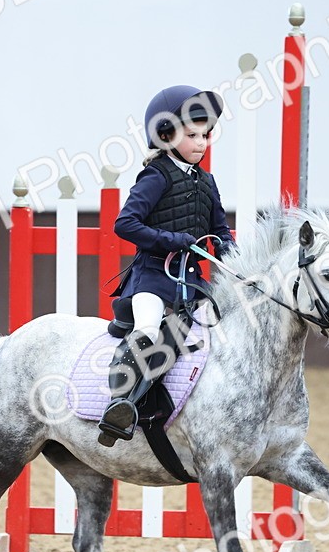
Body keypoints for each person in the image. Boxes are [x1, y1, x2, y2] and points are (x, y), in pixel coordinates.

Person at [98, 85, 237, 446]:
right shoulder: (156, 176)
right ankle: (121, 405)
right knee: (147, 332)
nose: (202, 142)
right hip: (152, 280)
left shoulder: (207, 182)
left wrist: (237, 262)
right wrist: (173, 241)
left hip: (192, 287)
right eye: (192, 135)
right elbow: (125, 224)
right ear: (165, 135)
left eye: (206, 134)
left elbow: (219, 231)